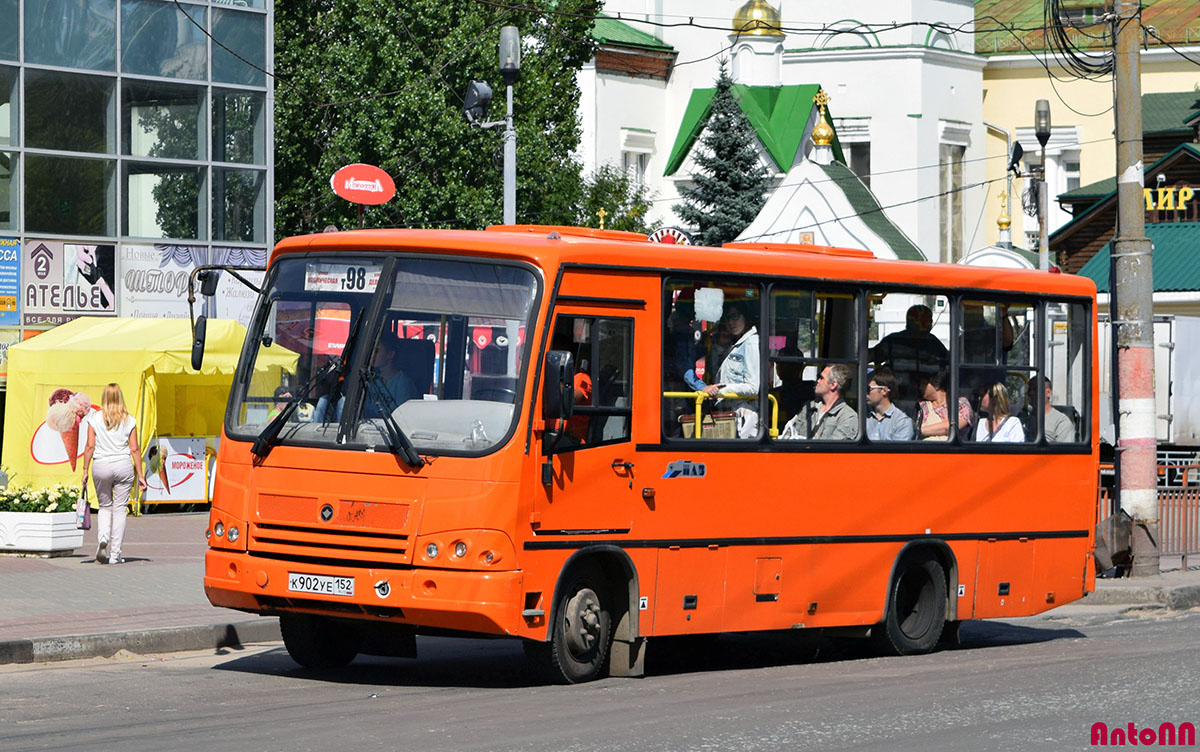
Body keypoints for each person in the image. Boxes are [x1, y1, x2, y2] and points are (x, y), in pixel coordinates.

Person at [80, 383, 147, 565]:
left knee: (104, 506)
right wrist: (140, 475)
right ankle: (116, 555)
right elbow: (134, 449)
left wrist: (85, 470)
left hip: (101, 464)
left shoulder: (94, 419)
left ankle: (103, 539)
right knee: (119, 510)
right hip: (123, 465)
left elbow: (90, 446)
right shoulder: (129, 420)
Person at [869, 304, 949, 411]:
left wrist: (934, 385)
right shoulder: (893, 341)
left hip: (925, 399)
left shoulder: (933, 343)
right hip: (896, 396)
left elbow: (947, 364)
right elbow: (872, 356)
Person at [701, 300, 760, 439]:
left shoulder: (751, 343)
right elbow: (714, 371)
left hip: (744, 418)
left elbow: (753, 387)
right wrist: (719, 343)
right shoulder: (734, 344)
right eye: (727, 319)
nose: (731, 323)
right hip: (728, 414)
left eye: (735, 317)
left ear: (746, 317)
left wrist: (721, 390)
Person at [781, 363, 858, 440]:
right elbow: (790, 431)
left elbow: (834, 448)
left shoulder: (848, 417)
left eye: (821, 378)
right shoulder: (809, 407)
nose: (817, 381)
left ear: (833, 385)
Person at [365, 335, 417, 417]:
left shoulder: (403, 383)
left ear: (390, 355)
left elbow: (402, 416)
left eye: (377, 351)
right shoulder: (372, 379)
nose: (372, 355)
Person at [916, 369, 973, 441]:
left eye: (924, 384)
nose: (920, 388)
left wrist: (920, 431)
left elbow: (953, 426)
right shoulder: (922, 406)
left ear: (936, 385)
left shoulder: (960, 404)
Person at [865, 367, 914, 441]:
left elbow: (899, 450)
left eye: (868, 389)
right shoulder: (863, 417)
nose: (865, 393)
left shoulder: (902, 422)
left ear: (884, 391)